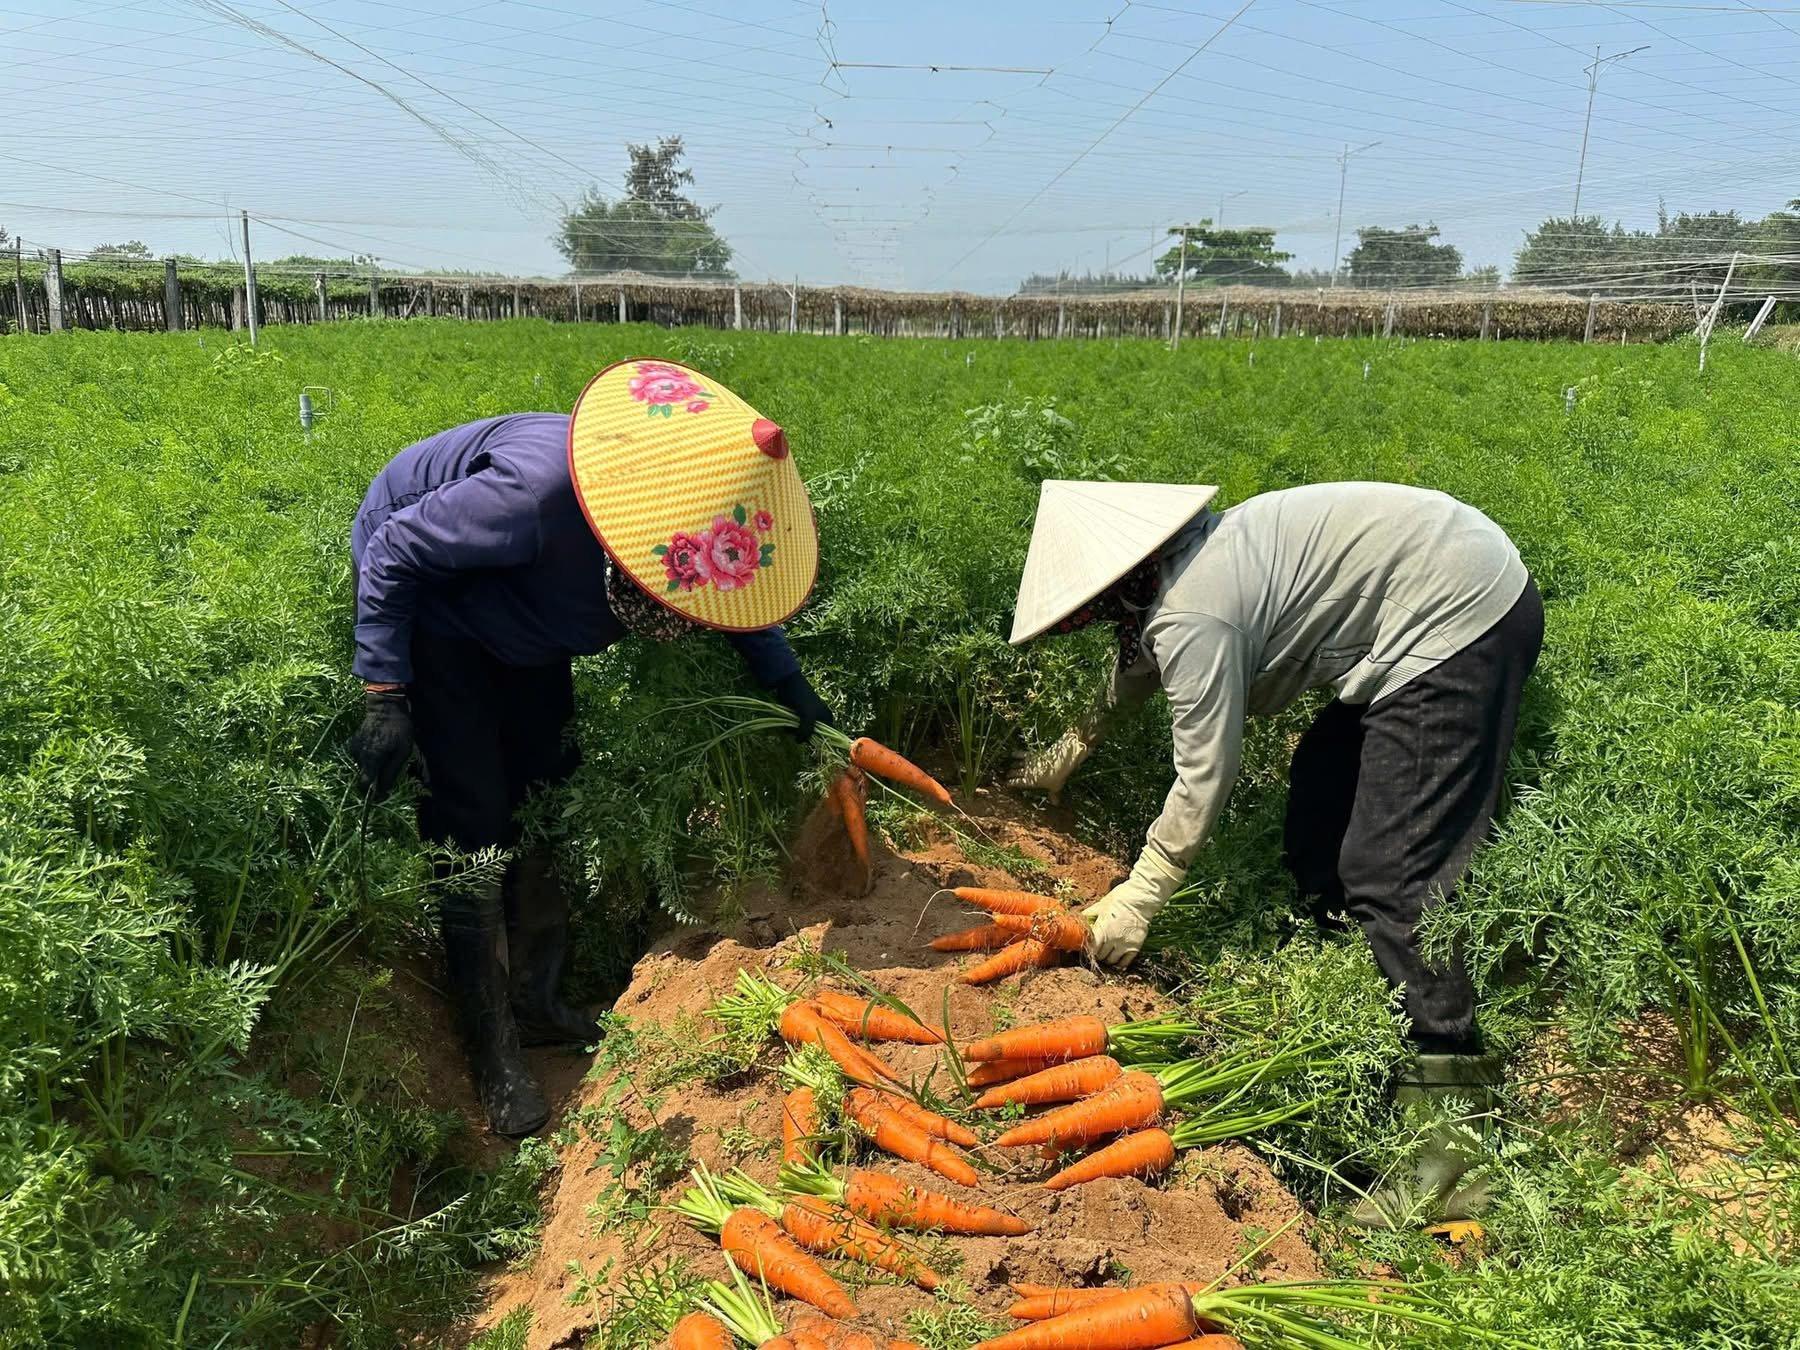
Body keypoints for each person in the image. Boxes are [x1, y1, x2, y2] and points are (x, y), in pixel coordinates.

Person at [1007, 479, 1542, 1227]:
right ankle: (1358, 971)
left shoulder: (1196, 610)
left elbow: (1204, 776)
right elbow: (1137, 665)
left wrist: (1142, 892)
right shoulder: (1179, 567)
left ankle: (1453, 1157)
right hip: (1448, 575)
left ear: (1111, 586)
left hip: (1459, 617)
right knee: (1323, 785)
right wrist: (1075, 743)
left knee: (1394, 874)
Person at [347, 358, 833, 1137]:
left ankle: (536, 1004)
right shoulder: (532, 504)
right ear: (627, 552)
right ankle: (490, 1049)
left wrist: (792, 689)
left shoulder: (688, 518)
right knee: (472, 816)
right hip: (433, 607)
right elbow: (395, 552)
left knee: (546, 782)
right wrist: (385, 693)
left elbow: (722, 587)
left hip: (530, 615)